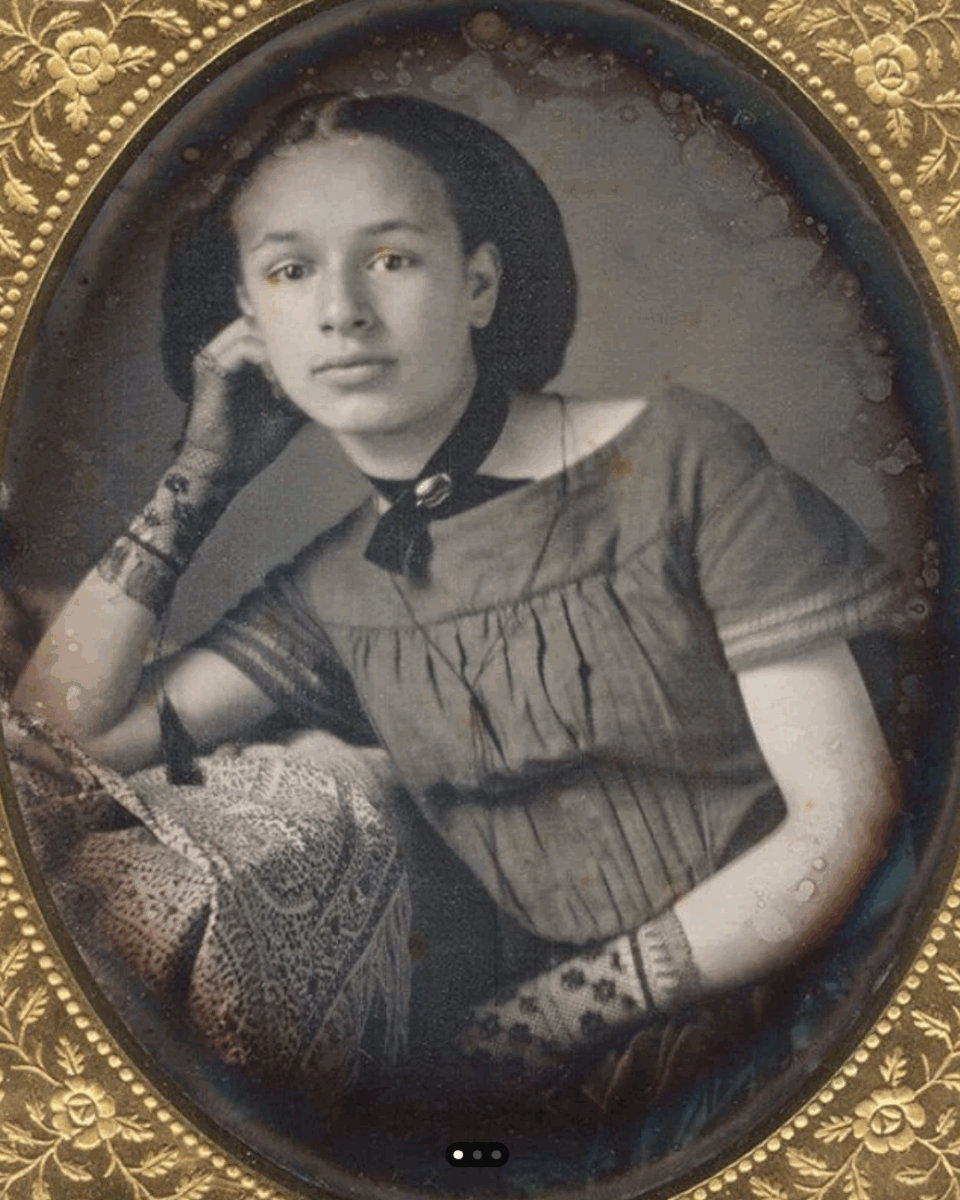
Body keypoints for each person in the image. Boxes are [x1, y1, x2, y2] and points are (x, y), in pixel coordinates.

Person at [12, 91, 902, 1152]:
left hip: (823, 1003)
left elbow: (848, 819)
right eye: (290, 272)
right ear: (245, 322)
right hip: (583, 1082)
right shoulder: (337, 588)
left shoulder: (680, 461)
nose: (341, 311)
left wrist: (550, 1019)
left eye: (391, 258)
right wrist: (200, 477)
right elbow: (59, 742)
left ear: (479, 284)